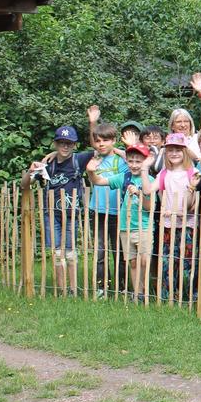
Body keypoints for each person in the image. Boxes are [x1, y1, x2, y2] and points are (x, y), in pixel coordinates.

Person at [21, 125, 95, 295]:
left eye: (69, 143)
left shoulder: (79, 160)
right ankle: (62, 290)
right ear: (55, 143)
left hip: (71, 215)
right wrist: (31, 170)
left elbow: (98, 150)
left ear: (75, 145)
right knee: (56, 253)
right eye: (61, 143)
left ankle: (73, 290)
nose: (65, 146)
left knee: (70, 253)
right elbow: (24, 185)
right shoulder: (47, 165)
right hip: (51, 215)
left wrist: (91, 123)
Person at [86, 144, 155, 302]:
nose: (134, 165)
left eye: (138, 161)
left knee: (144, 260)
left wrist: (138, 192)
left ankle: (145, 291)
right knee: (132, 262)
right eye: (131, 161)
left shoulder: (149, 179)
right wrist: (91, 171)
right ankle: (137, 294)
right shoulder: (123, 177)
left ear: (145, 162)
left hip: (143, 227)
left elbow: (148, 206)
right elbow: (99, 181)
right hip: (125, 227)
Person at [84, 110, 128, 297]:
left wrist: (122, 150)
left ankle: (122, 287)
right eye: (99, 141)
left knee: (119, 251)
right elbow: (93, 139)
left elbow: (135, 164)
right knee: (100, 252)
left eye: (106, 140)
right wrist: (92, 122)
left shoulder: (121, 159)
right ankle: (102, 288)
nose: (101, 144)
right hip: (98, 211)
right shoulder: (94, 158)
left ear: (114, 140)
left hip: (118, 211)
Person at [157, 132, 201, 302]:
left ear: (185, 152)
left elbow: (192, 202)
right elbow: (161, 195)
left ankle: (190, 294)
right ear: (166, 153)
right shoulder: (164, 173)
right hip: (168, 225)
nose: (174, 153)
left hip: (187, 225)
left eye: (178, 150)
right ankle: (168, 295)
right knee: (168, 260)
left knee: (189, 260)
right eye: (170, 150)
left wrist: (190, 190)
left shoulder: (192, 172)